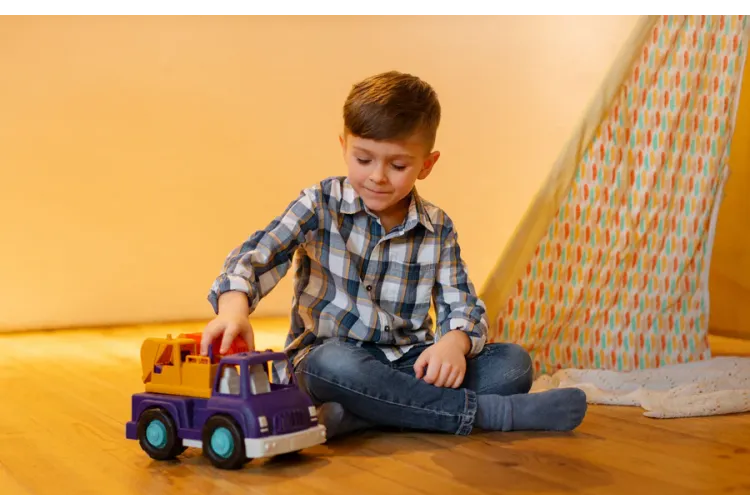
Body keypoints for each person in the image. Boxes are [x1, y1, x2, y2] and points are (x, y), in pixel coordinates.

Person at [201, 70, 587, 439]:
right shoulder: (319, 204)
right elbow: (256, 256)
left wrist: (453, 343)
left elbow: (462, 303)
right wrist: (233, 310)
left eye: (398, 165)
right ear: (344, 146)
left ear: (427, 165)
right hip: (330, 362)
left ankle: (361, 416)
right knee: (333, 363)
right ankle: (484, 414)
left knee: (512, 364)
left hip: (409, 362)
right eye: (363, 159)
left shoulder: (437, 227)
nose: (378, 176)